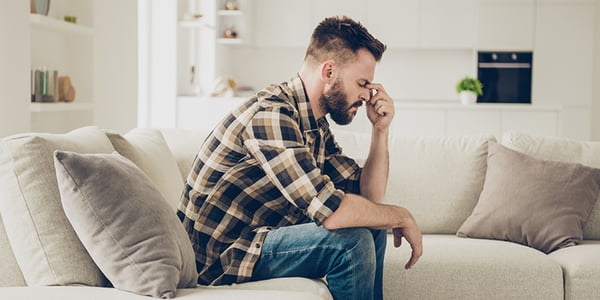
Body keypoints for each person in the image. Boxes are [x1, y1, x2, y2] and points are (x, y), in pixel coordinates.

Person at [177, 15, 423, 300]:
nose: (368, 95)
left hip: (257, 239)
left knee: (372, 225)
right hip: (220, 257)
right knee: (352, 243)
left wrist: (380, 131)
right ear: (329, 72)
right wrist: (401, 216)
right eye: (362, 83)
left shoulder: (315, 125)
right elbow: (331, 211)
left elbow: (369, 199)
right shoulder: (272, 116)